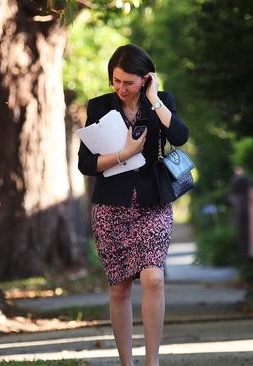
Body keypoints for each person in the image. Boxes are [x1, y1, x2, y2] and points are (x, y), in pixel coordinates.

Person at [77, 44, 189, 366]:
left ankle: (151, 361)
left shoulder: (162, 102)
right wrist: (122, 155)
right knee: (120, 289)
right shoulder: (99, 107)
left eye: (129, 82)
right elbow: (86, 164)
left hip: (154, 203)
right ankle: (127, 362)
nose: (121, 88)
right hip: (111, 207)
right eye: (116, 80)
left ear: (145, 79)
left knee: (154, 278)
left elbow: (180, 136)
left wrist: (154, 101)